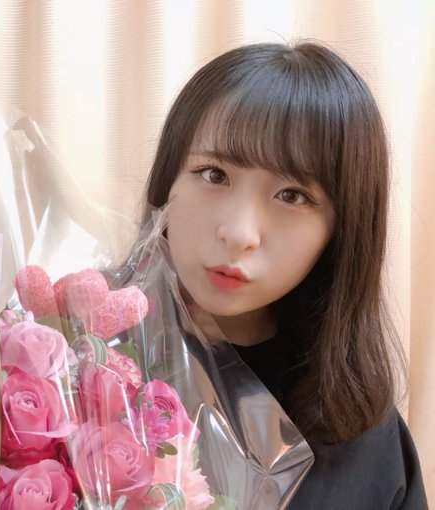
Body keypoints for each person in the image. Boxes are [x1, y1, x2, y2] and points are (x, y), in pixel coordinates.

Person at [142, 42, 428, 509]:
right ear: (167, 182)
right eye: (213, 174)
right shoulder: (71, 363)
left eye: (292, 196)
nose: (238, 233)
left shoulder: (360, 434)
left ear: (342, 229)